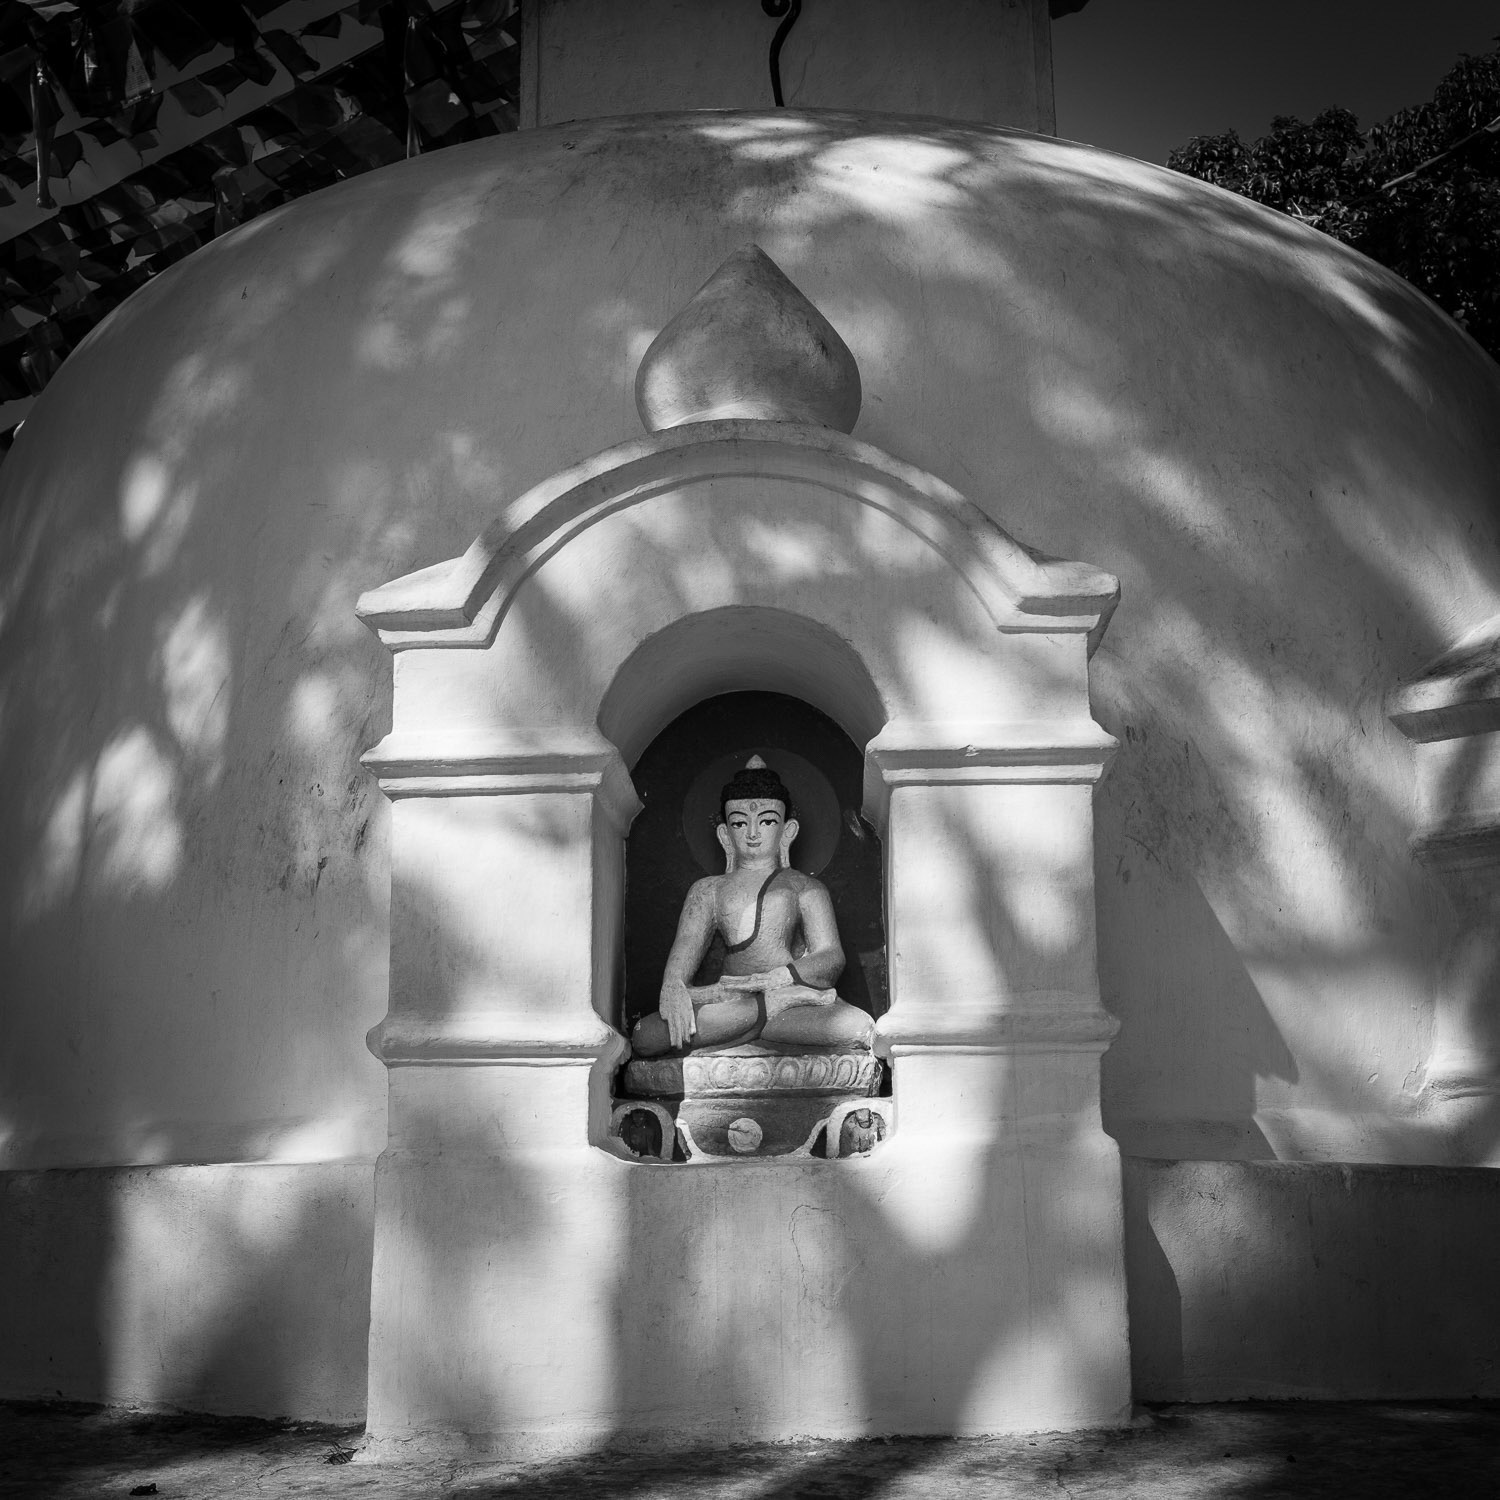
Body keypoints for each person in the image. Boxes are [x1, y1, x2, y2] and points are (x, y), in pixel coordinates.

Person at [629, 757, 876, 1057]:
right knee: (645, 1036)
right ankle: (764, 1013)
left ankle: (752, 1023)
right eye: (739, 822)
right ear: (725, 834)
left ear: (788, 831)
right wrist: (673, 988)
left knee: (857, 1027)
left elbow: (831, 956)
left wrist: (778, 979)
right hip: (729, 1001)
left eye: (768, 821)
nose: (753, 833)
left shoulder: (805, 888)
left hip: (790, 997)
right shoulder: (707, 890)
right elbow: (684, 953)